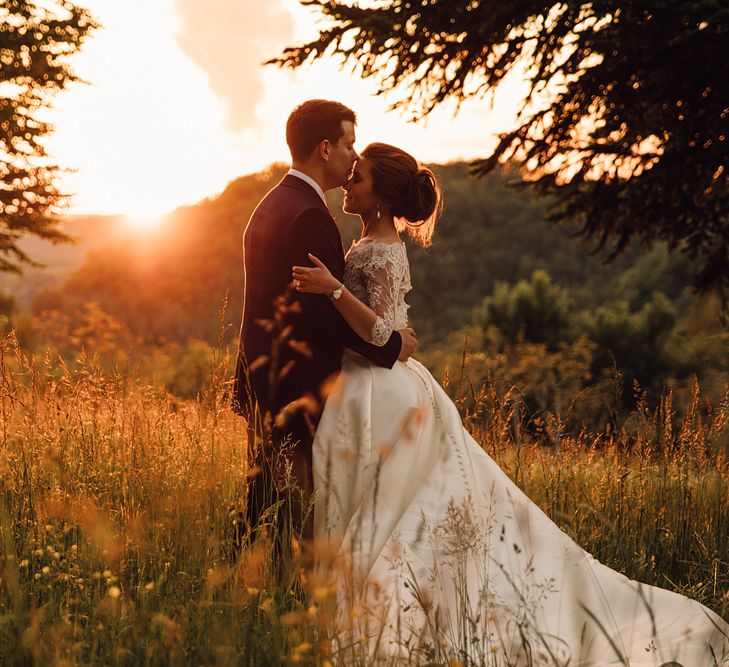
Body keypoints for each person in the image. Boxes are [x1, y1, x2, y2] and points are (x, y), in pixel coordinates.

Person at [292, 142, 729, 664]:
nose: (349, 183)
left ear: (381, 197)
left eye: (358, 178)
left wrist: (333, 290)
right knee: (383, 503)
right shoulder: (367, 239)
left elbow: (385, 331)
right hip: (367, 382)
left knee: (399, 508)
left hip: (384, 389)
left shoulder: (384, 246)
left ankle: (390, 616)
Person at [232, 101, 417, 549]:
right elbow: (322, 317)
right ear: (325, 147)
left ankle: (251, 593)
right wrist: (390, 346)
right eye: (349, 143)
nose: (353, 155)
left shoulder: (273, 202)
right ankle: (277, 600)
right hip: (299, 391)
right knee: (289, 516)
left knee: (265, 505)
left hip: (269, 383)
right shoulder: (310, 215)